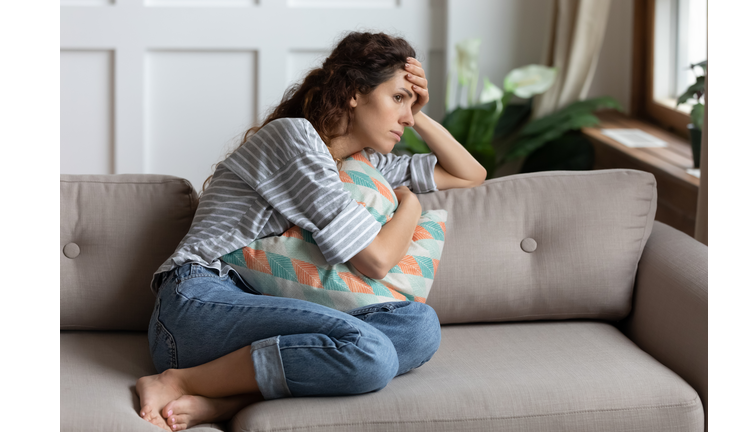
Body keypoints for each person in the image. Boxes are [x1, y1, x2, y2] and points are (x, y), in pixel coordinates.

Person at [136, 31, 487, 431]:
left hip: (261, 306)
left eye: (410, 104)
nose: (406, 117)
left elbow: (470, 174)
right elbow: (376, 260)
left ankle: (230, 399)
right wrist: (412, 204)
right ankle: (178, 380)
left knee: (418, 327)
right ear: (355, 92)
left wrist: (419, 112)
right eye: (397, 99)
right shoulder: (296, 139)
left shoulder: (362, 164)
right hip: (199, 304)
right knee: (371, 353)